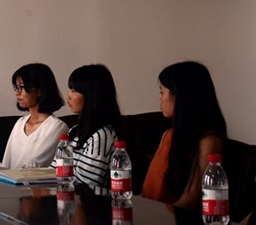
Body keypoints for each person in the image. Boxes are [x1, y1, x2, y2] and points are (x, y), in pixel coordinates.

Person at [141, 61, 227, 210]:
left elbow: (192, 198)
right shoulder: (168, 135)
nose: (160, 98)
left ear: (181, 97)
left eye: (162, 92)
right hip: (152, 213)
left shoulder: (209, 142)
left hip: (174, 220)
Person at [51, 64, 120, 188]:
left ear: (91, 95)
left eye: (74, 90)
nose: (68, 95)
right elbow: (53, 171)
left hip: (86, 199)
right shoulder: (74, 131)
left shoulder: (102, 135)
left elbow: (86, 185)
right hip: (64, 194)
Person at [0, 63, 68, 168]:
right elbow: (5, 164)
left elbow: (35, 167)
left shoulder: (57, 127)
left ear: (40, 90)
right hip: (7, 178)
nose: (17, 93)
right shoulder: (20, 123)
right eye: (16, 87)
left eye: (22, 87)